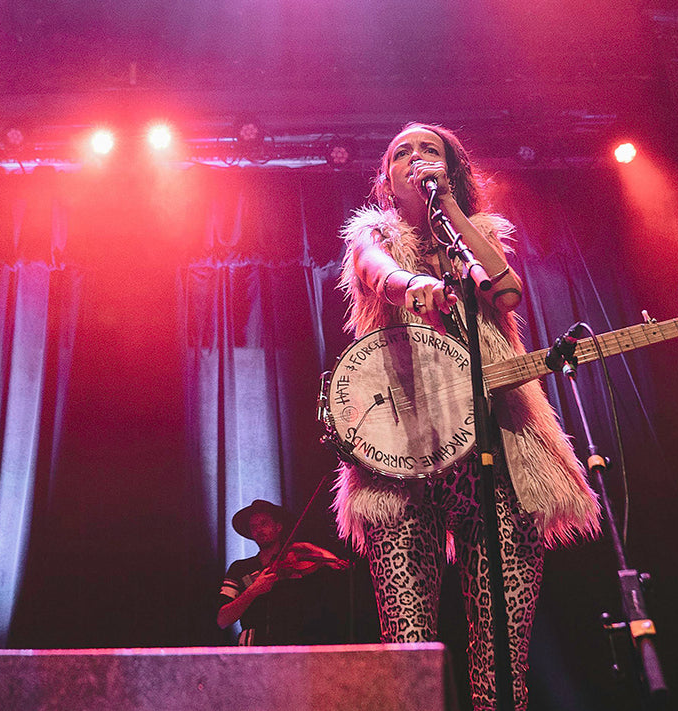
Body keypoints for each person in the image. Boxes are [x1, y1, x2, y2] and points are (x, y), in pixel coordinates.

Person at [332, 123, 598, 711]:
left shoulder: (477, 238)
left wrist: (449, 207)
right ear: (386, 179)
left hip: (498, 441)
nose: (416, 158)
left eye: (430, 150)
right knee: (408, 656)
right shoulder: (372, 233)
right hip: (402, 450)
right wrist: (416, 286)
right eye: (402, 153)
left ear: (452, 169)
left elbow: (507, 292)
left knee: (503, 663)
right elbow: (377, 270)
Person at [217, 499, 349, 645]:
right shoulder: (239, 568)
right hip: (252, 648)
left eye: (264, 524)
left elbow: (336, 568)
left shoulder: (296, 562)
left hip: (294, 648)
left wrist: (311, 548)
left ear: (278, 527)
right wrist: (253, 591)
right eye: (253, 526)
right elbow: (222, 619)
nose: (259, 530)